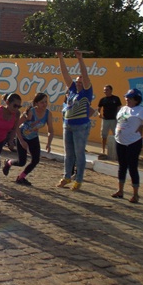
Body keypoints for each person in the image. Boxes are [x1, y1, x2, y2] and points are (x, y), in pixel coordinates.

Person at [112, 88, 143, 203]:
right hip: (120, 142)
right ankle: (120, 190)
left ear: (136, 100)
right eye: (126, 97)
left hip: (133, 142)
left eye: (130, 98)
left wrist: (142, 126)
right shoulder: (123, 109)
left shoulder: (141, 111)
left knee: (132, 167)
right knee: (122, 166)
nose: (127, 99)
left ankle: (135, 194)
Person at [56, 50, 94, 191]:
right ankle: (67, 176)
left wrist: (80, 59)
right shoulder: (72, 90)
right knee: (69, 154)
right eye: (77, 81)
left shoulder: (86, 92)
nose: (78, 83)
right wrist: (60, 57)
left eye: (80, 82)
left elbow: (85, 75)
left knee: (79, 154)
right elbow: (65, 74)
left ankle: (78, 180)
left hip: (81, 126)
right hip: (68, 125)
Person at [2, 92, 54, 186]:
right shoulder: (30, 112)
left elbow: (50, 130)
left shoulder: (48, 114)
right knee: (22, 162)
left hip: (33, 137)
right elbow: (16, 126)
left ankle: (21, 177)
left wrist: (49, 143)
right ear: (36, 103)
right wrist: (21, 141)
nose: (44, 104)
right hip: (22, 136)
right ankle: (8, 162)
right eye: (42, 102)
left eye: (46, 102)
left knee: (36, 160)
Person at [97, 85, 122, 154]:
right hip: (105, 120)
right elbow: (99, 108)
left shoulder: (116, 98)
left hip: (114, 120)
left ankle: (118, 150)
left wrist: (118, 116)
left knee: (116, 135)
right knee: (104, 135)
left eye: (107, 90)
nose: (105, 91)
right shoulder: (103, 99)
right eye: (104, 90)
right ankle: (103, 149)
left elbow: (119, 108)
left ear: (111, 90)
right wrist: (99, 113)